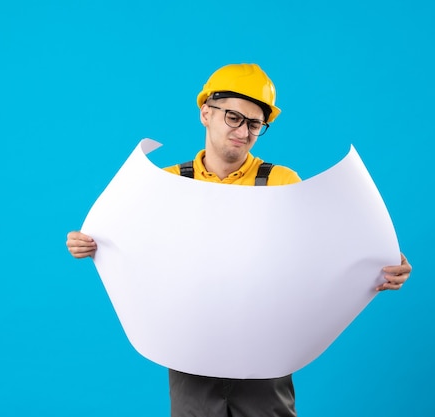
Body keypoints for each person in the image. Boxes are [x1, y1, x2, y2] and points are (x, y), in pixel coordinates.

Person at [66, 63, 412, 417]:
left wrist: (379, 263)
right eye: (234, 117)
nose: (243, 130)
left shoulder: (282, 182)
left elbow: (322, 249)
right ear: (206, 113)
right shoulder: (165, 184)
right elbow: (129, 243)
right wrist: (90, 244)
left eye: (254, 124)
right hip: (189, 351)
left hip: (266, 356)